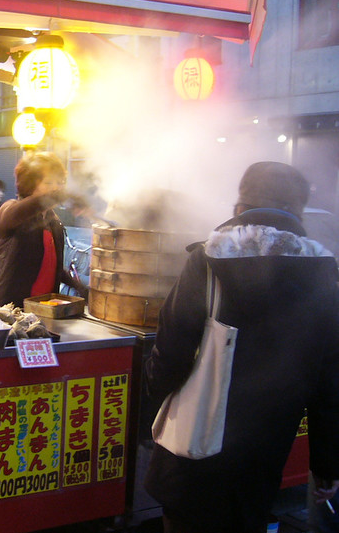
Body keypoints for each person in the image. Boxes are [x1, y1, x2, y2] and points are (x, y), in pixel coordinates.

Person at [144, 161, 339, 533]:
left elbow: (169, 353)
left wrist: (153, 408)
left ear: (239, 207)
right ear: (298, 211)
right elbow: (329, 381)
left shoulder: (207, 260)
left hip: (194, 451)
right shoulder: (322, 272)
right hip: (263, 454)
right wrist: (327, 464)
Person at [0, 151, 86, 308]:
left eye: (60, 182)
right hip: (5, 310)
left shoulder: (52, 221)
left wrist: (80, 288)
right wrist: (59, 195)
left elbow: (51, 266)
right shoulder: (9, 210)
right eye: (49, 183)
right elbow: (19, 213)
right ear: (30, 185)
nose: (56, 188)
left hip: (43, 309)